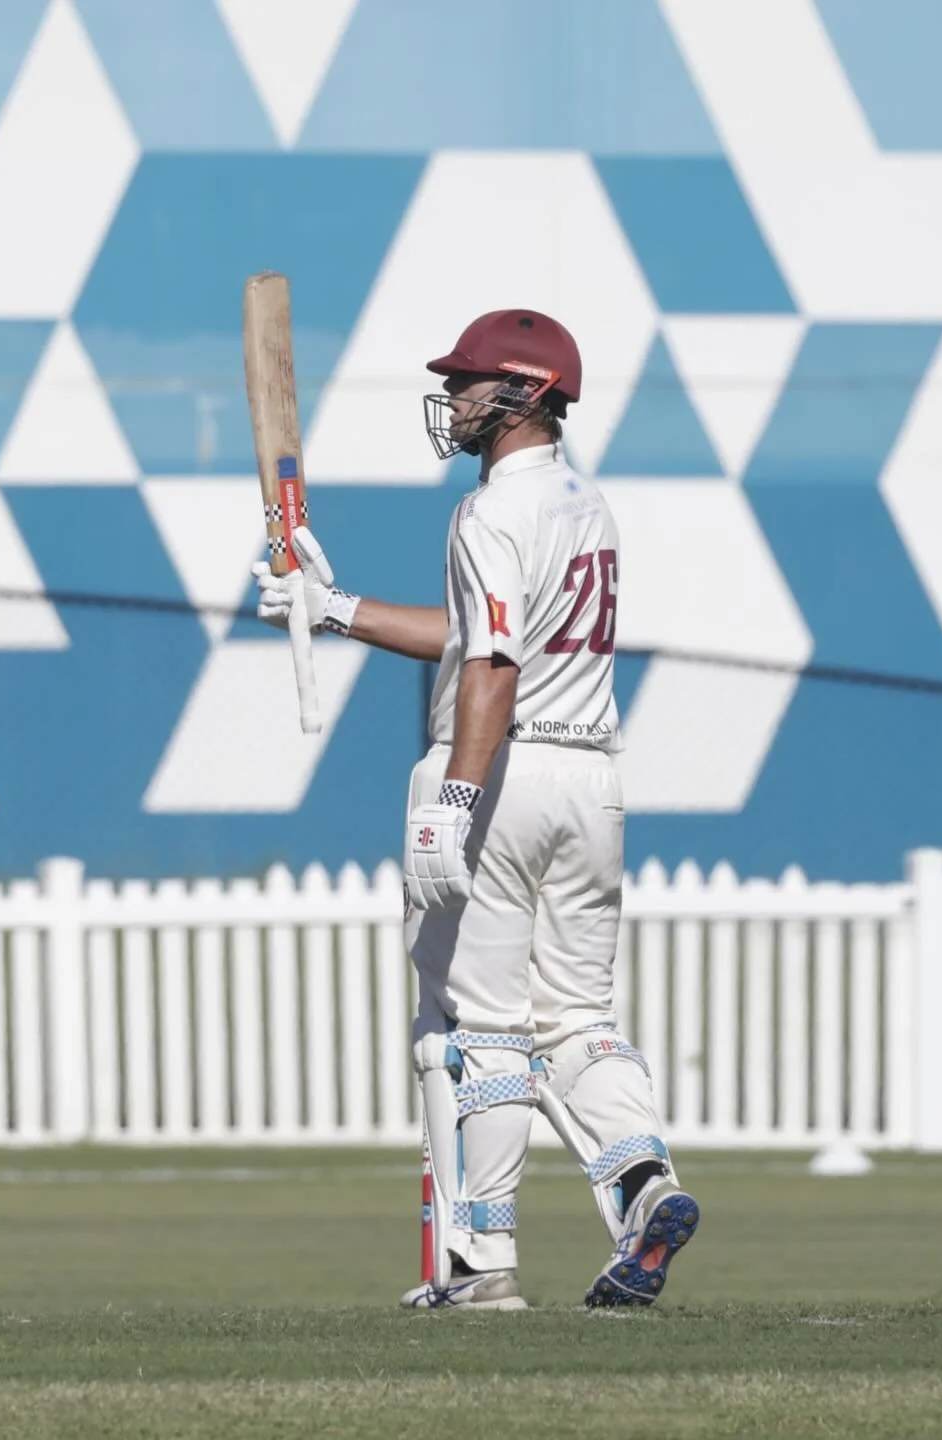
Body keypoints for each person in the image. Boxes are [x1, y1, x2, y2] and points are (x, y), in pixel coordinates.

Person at [253, 309, 699, 1310]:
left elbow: (490, 668)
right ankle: (642, 1185)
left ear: (526, 393)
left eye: (469, 383)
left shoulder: (490, 513)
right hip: (594, 781)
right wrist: (333, 609)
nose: (453, 401)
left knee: (482, 1031)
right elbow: (470, 635)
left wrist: (453, 801)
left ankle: (478, 1264)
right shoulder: (587, 509)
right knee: (580, 1021)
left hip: (508, 775)